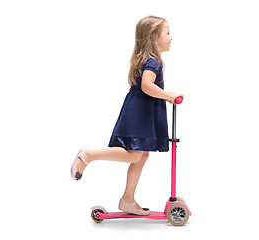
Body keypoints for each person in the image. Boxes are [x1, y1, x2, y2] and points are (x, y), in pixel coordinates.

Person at [71, 15, 183, 216]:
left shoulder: (148, 59)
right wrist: (169, 96)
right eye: (167, 33)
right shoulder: (154, 62)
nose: (171, 37)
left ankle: (128, 199)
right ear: (153, 37)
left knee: (142, 154)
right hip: (140, 112)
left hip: (141, 109)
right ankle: (88, 155)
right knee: (134, 154)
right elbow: (147, 86)